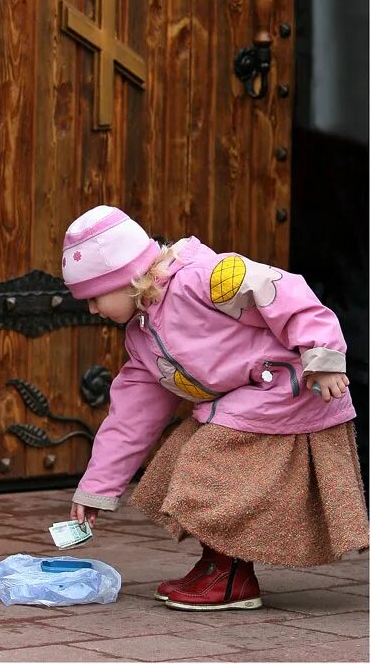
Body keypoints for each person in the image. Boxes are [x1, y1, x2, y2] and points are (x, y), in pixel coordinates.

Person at [61, 205, 368, 611]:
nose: (92, 310)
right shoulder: (141, 340)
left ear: (126, 278)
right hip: (243, 406)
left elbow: (284, 292)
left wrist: (324, 357)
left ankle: (230, 576)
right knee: (179, 459)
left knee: (206, 464)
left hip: (293, 390)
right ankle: (219, 565)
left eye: (94, 297)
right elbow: (129, 421)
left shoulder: (204, 279)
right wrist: (96, 489)